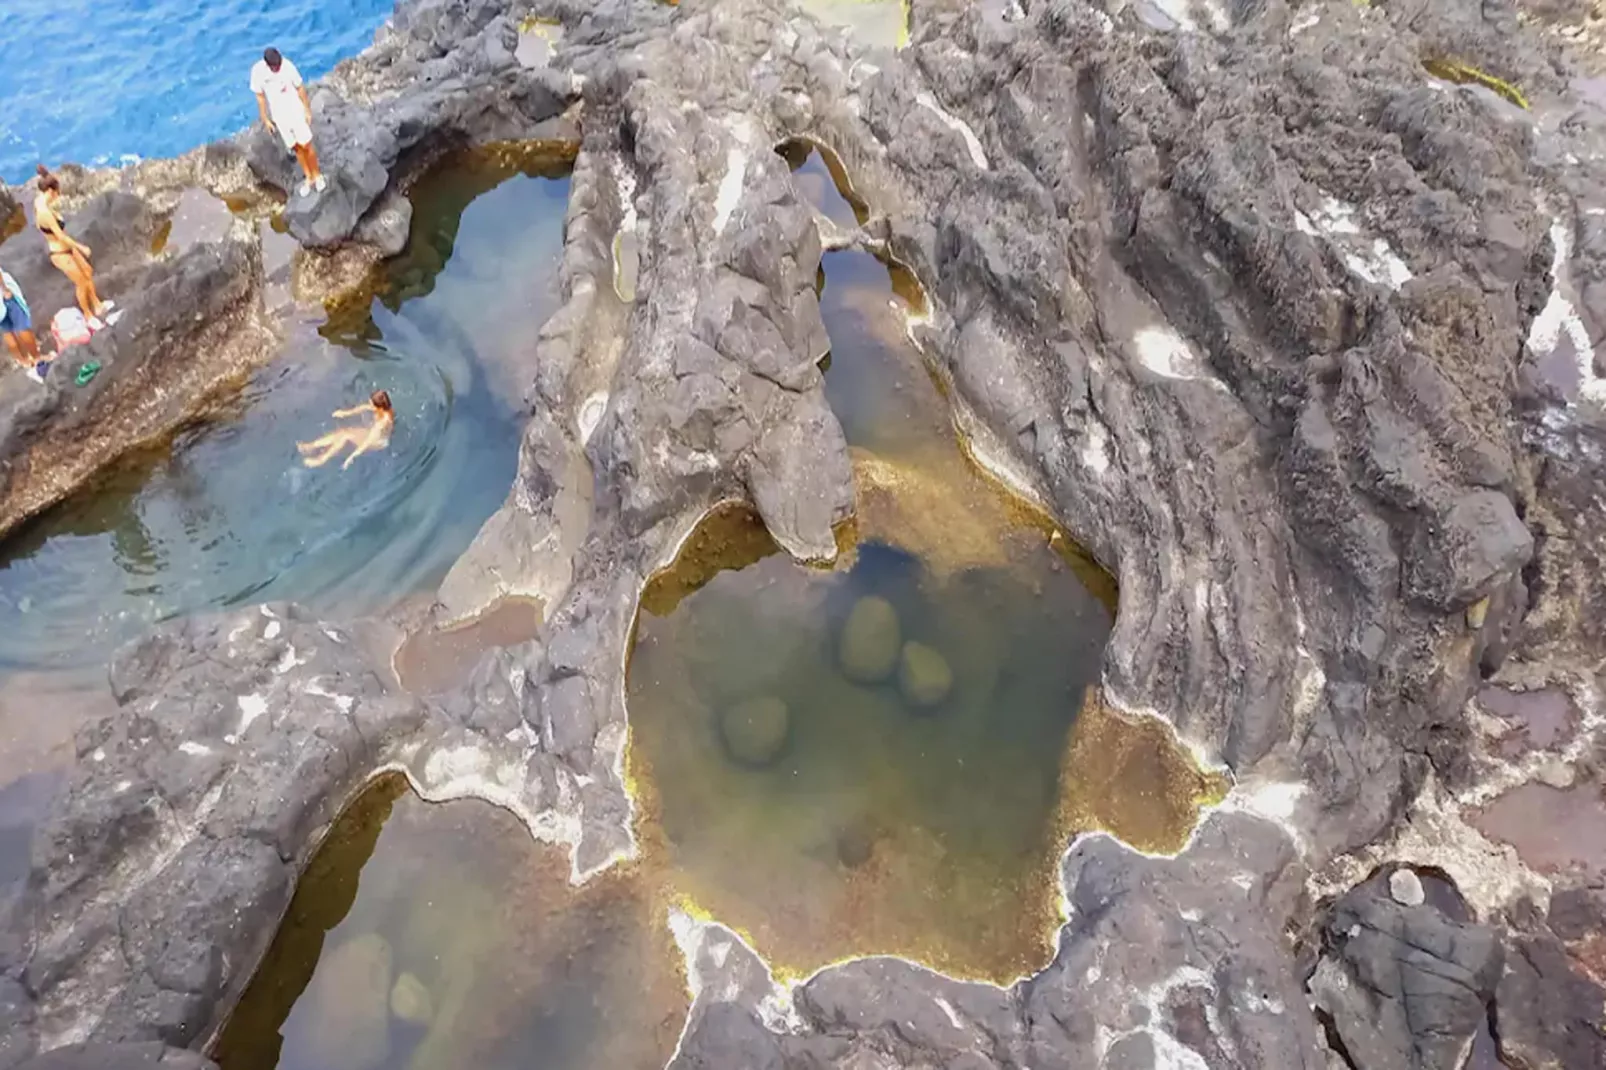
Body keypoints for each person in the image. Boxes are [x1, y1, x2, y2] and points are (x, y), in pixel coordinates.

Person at [34, 166, 113, 327]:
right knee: (81, 282)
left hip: (66, 248)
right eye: (57, 192)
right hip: (59, 253)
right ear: (51, 191)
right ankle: (88, 315)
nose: (58, 195)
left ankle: (97, 305)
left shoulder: (40, 200)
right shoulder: (45, 213)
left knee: (88, 272)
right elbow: (60, 236)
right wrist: (80, 247)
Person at [251, 47, 325, 197]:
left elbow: (300, 88)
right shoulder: (258, 72)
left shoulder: (288, 67)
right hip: (280, 116)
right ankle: (308, 177)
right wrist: (266, 119)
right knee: (296, 147)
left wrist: (307, 110)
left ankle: (317, 175)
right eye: (275, 66)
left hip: (295, 112)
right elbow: (260, 97)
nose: (278, 67)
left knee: (306, 144)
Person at [297, 390, 394, 469]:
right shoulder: (384, 408)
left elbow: (368, 442)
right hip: (373, 434)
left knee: (346, 437)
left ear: (379, 407)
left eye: (372, 403)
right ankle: (311, 446)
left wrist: (351, 457)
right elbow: (365, 407)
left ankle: (321, 460)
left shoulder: (383, 422)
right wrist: (345, 413)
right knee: (344, 431)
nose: (369, 404)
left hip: (378, 442)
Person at [0, 266, 48, 380]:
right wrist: (4, 289)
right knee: (22, 323)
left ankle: (22, 360)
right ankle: (36, 358)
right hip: (2, 293)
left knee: (7, 329)